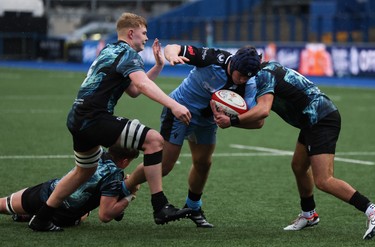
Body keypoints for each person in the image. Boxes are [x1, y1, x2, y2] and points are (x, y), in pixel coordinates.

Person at [28, 12, 192, 231]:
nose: (146, 38)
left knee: (83, 172)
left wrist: (158, 66)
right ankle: (160, 206)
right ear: (131, 33)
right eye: (144, 34)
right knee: (153, 140)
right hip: (94, 117)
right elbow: (142, 86)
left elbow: (133, 90)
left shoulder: (110, 50)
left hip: (77, 117)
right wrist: (173, 104)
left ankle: (41, 218)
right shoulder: (129, 53)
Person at [211, 60, 375, 240]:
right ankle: (308, 214)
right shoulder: (266, 69)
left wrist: (232, 121)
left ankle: (371, 209)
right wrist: (232, 121)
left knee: (324, 180)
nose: (239, 80)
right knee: (298, 166)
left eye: (242, 76)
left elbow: (263, 112)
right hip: (312, 118)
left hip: (321, 119)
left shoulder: (264, 76)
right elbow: (259, 121)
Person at [128, 44, 262, 228]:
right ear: (234, 64)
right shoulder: (212, 58)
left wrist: (232, 121)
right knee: (165, 166)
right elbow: (173, 47)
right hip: (179, 110)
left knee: (203, 163)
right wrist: (172, 56)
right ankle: (124, 186)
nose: (243, 79)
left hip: (206, 121)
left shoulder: (249, 83)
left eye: (248, 76)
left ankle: (193, 207)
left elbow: (257, 121)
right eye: (242, 74)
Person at [0, 146, 140, 227]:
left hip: (49, 191)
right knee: (85, 212)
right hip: (63, 214)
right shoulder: (115, 174)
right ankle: (31, 215)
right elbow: (105, 215)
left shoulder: (97, 151)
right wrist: (130, 195)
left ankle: (28, 214)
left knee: (4, 204)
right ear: (125, 161)